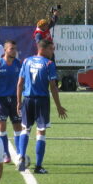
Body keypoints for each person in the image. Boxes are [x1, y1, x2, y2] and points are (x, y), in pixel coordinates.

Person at [16, 39, 67, 174]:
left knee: (25, 129)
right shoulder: (49, 64)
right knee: (41, 132)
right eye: (51, 49)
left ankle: (21, 158)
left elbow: (20, 83)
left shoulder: (27, 61)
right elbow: (53, 87)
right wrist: (58, 106)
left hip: (27, 99)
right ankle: (38, 167)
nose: (53, 52)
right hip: (42, 101)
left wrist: (18, 101)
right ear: (42, 49)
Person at [0, 40, 22, 164]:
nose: (14, 51)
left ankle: (19, 154)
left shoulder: (19, 64)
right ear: (5, 50)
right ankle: (5, 153)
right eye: (11, 49)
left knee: (17, 126)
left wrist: (21, 100)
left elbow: (23, 83)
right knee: (1, 126)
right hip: (1, 100)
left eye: (15, 49)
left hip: (15, 99)